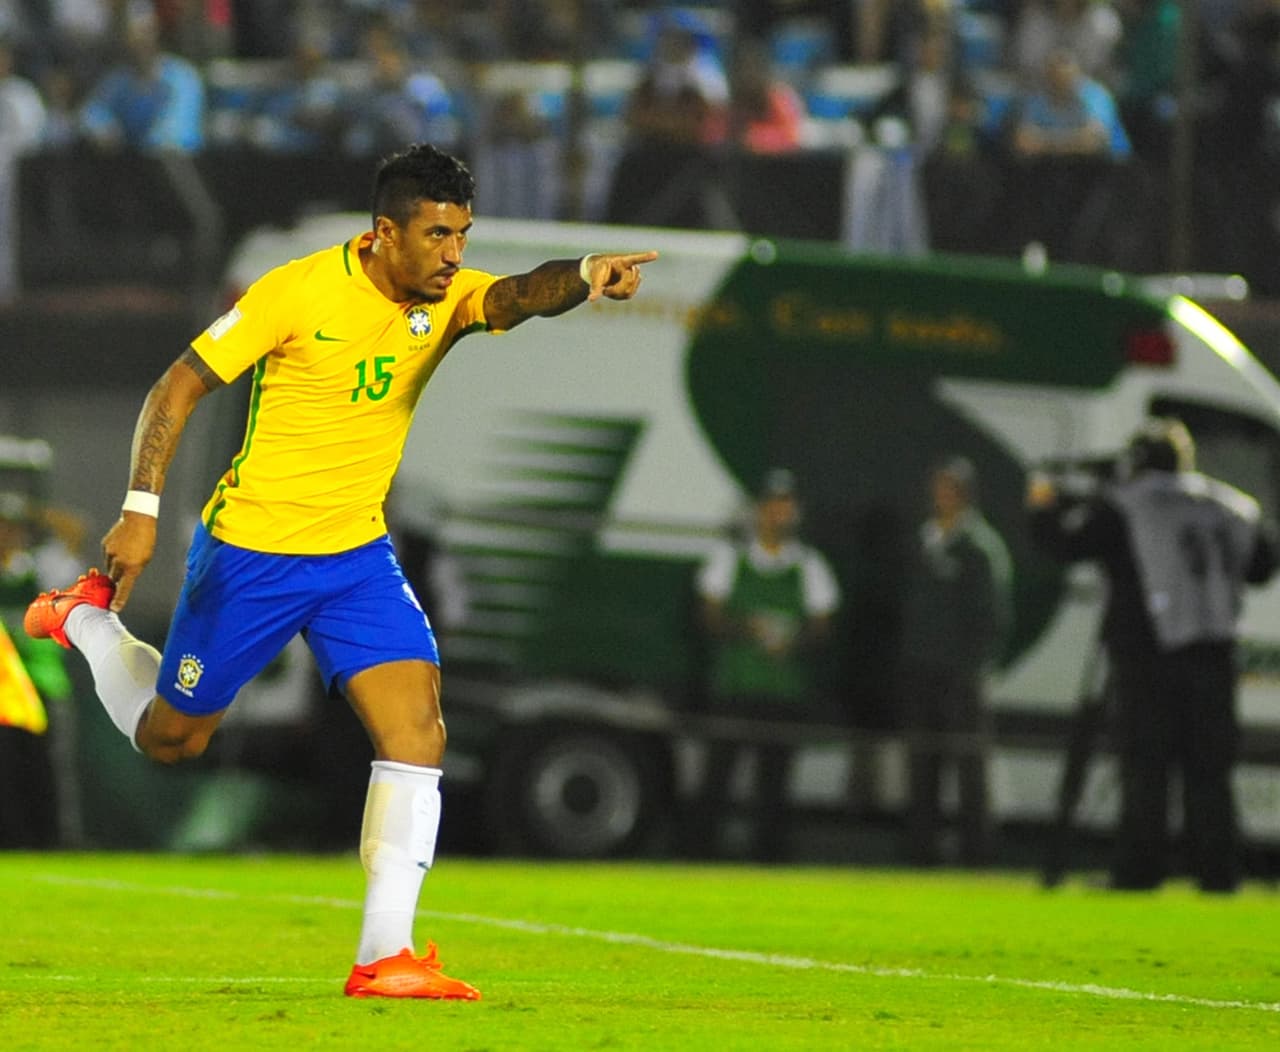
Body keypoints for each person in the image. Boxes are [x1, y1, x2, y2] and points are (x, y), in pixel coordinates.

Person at [24, 142, 657, 998]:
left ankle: (383, 956)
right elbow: (176, 388)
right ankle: (86, 621)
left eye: (462, 234)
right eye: (436, 235)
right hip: (252, 553)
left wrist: (584, 273)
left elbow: (518, 294)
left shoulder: (451, 296)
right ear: (383, 233)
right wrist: (138, 514)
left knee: (418, 733)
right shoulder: (297, 290)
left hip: (356, 557)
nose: (453, 254)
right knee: (173, 739)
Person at [1027, 418, 1278, 892]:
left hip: (1149, 654)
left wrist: (1043, 506)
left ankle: (1140, 869)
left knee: (1147, 766)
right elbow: (1263, 565)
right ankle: (1218, 874)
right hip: (1215, 651)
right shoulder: (1230, 505)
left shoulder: (1130, 506)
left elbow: (1065, 544)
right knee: (1209, 770)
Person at [690, 468, 841, 862]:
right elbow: (709, 617)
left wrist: (792, 640)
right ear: (759, 510)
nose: (779, 514)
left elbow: (823, 628)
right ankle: (698, 856)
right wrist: (749, 628)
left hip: (784, 691)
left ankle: (767, 861)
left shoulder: (809, 565)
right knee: (717, 779)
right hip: (737, 686)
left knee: (774, 785)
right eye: (772, 505)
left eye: (786, 506)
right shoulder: (730, 558)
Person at [898, 456, 1012, 867]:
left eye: (949, 489)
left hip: (962, 677)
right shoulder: (924, 540)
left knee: (970, 770)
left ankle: (977, 856)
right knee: (922, 766)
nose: (940, 496)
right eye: (938, 487)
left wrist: (974, 668)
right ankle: (920, 853)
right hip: (921, 672)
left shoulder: (980, 547)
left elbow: (992, 617)